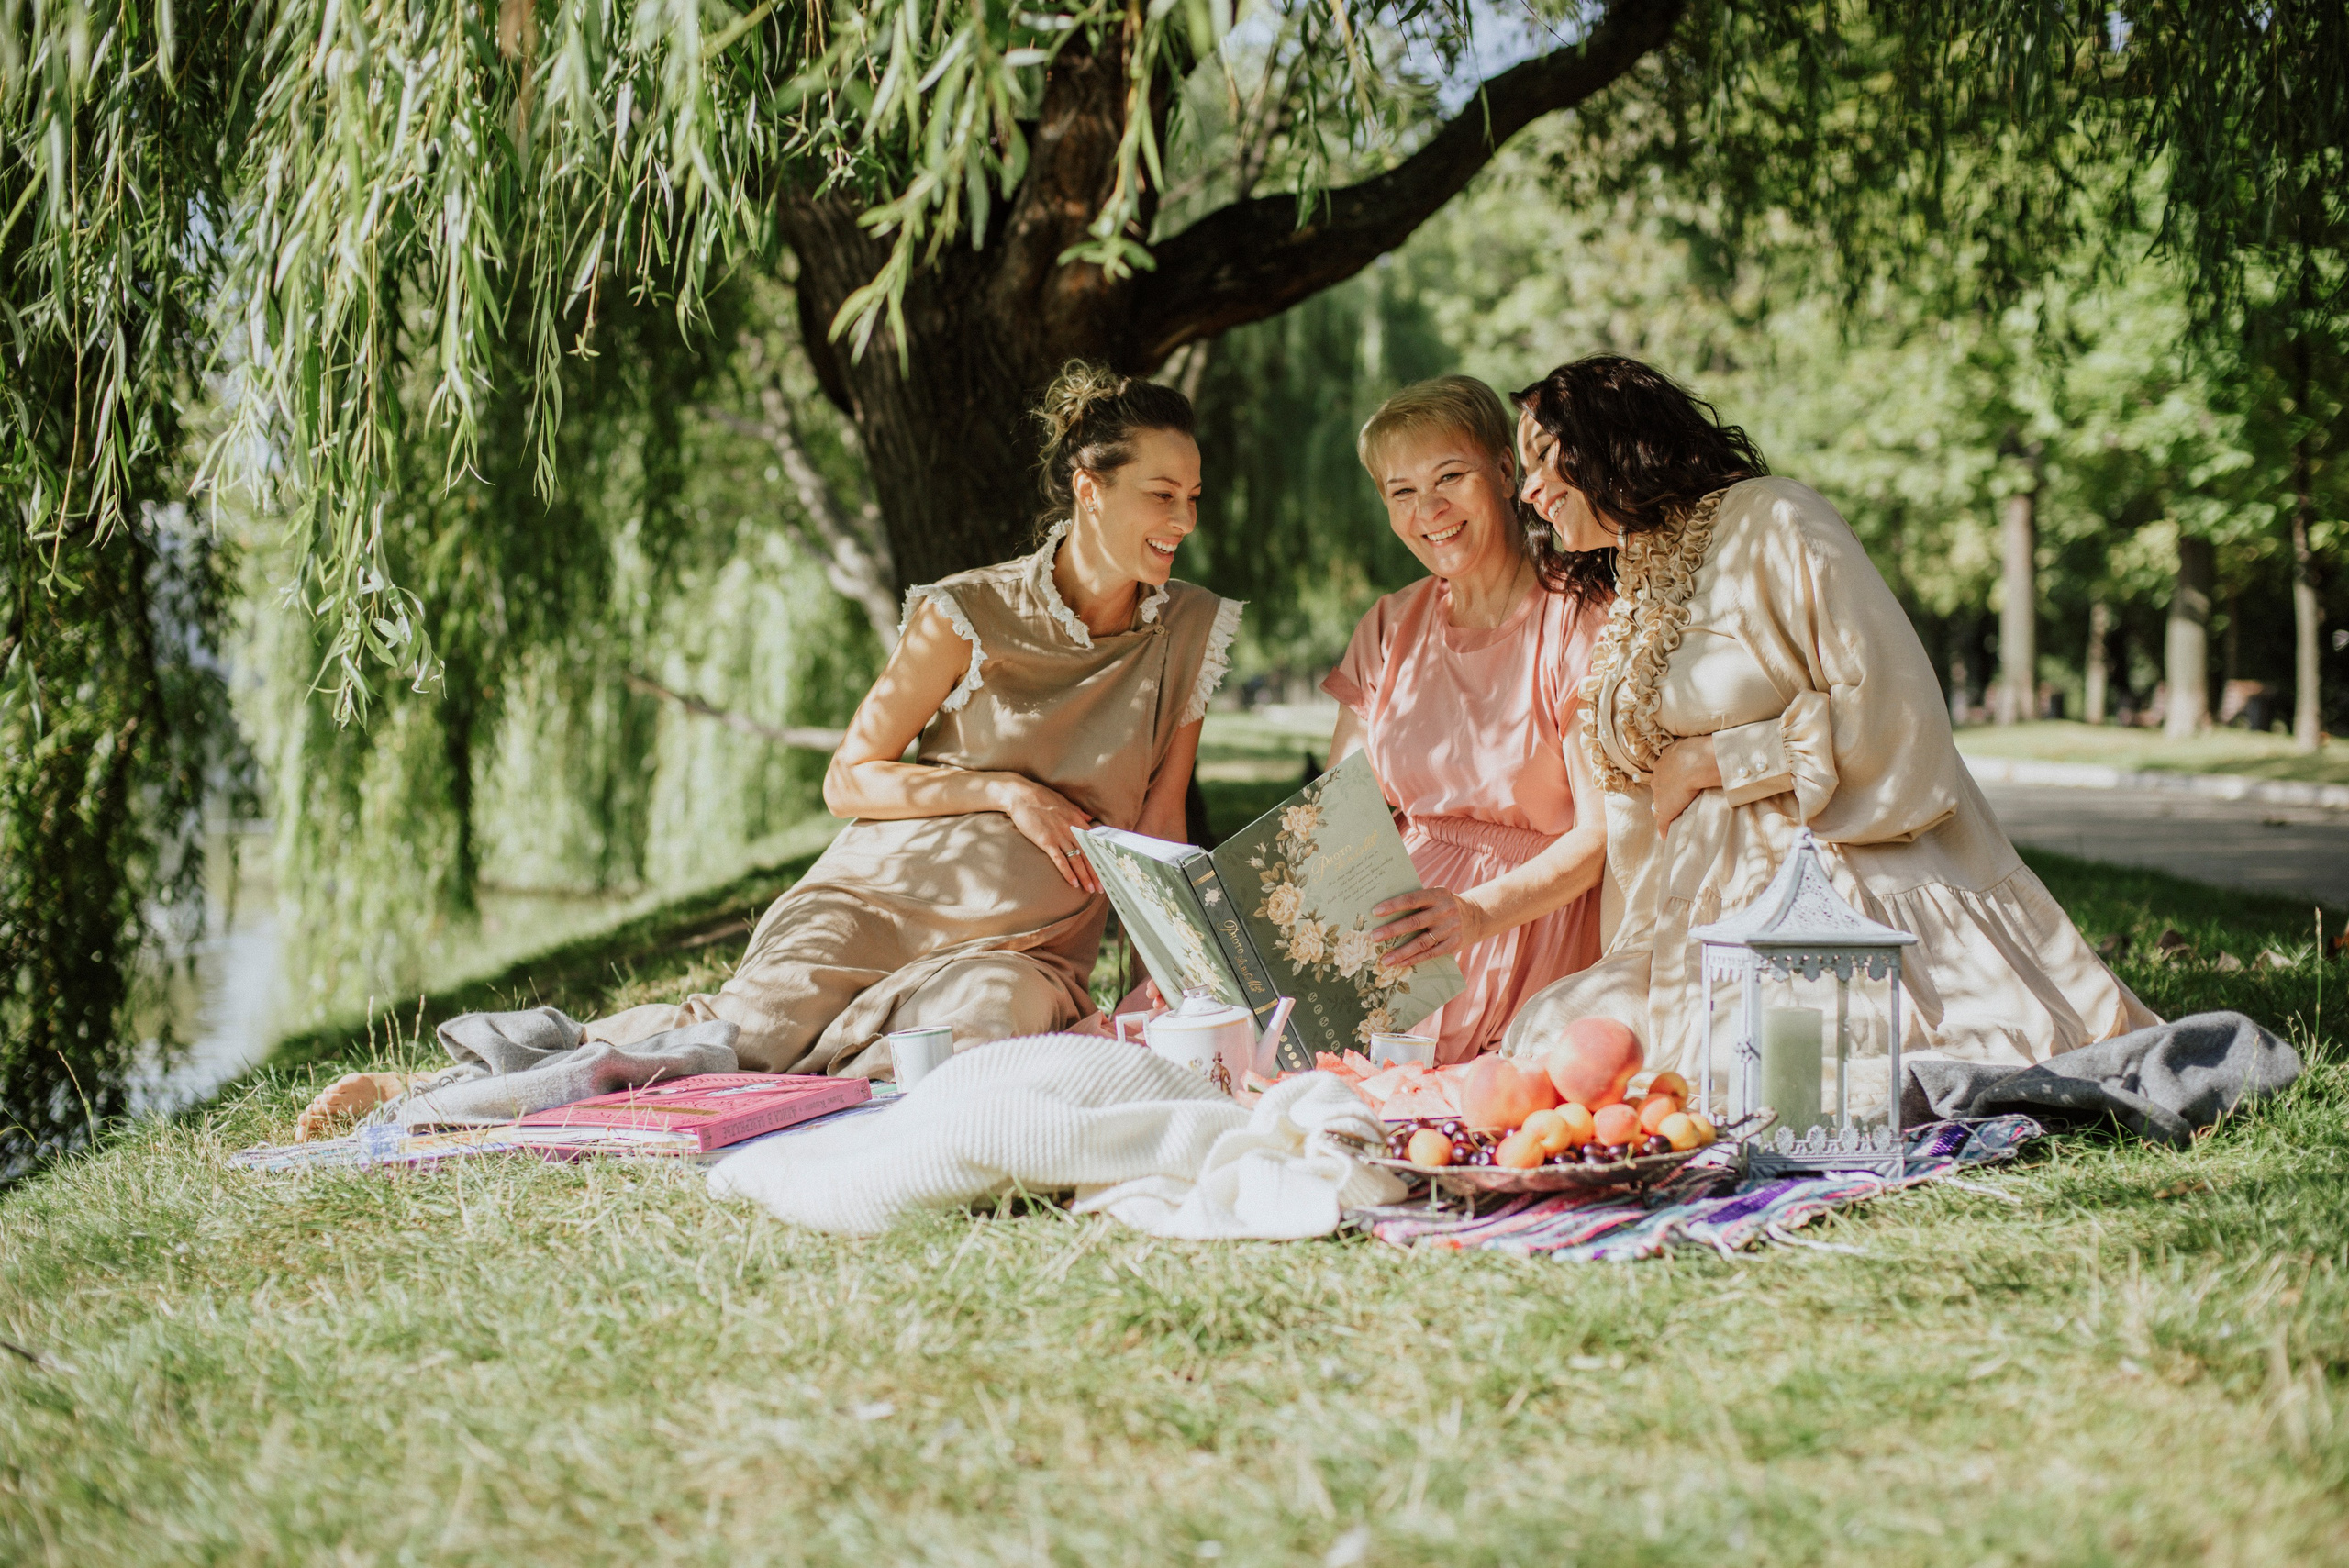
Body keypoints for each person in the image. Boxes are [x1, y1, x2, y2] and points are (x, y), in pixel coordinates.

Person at [295, 364, 1243, 1135]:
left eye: (1193, 495)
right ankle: (430, 1086)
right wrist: (1001, 790)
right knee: (748, 1030)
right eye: (1161, 492)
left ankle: (786, 1086)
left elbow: (1158, 827)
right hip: (879, 896)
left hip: (1028, 943)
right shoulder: (966, 611)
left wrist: (1157, 996)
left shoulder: (1191, 627)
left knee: (980, 1031)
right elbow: (849, 777)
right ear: (1090, 488)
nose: (1184, 519)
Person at [1499, 354, 2155, 1087]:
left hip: (1827, 883)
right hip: (1682, 924)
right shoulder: (1630, 593)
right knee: (1550, 1035)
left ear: (1608, 439)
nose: (1527, 491)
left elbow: (1894, 708)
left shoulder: (1772, 517)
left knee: (1771, 1072)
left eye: (1542, 458)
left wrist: (1716, 760)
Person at [1321, 376, 1610, 1065]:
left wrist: (1476, 914)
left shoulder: (1577, 617)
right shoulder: (1390, 625)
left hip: (1524, 921)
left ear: (1506, 472)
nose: (1430, 510)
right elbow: (1339, 816)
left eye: (1450, 476)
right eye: (1401, 491)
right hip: (1396, 921)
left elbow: (1604, 835)